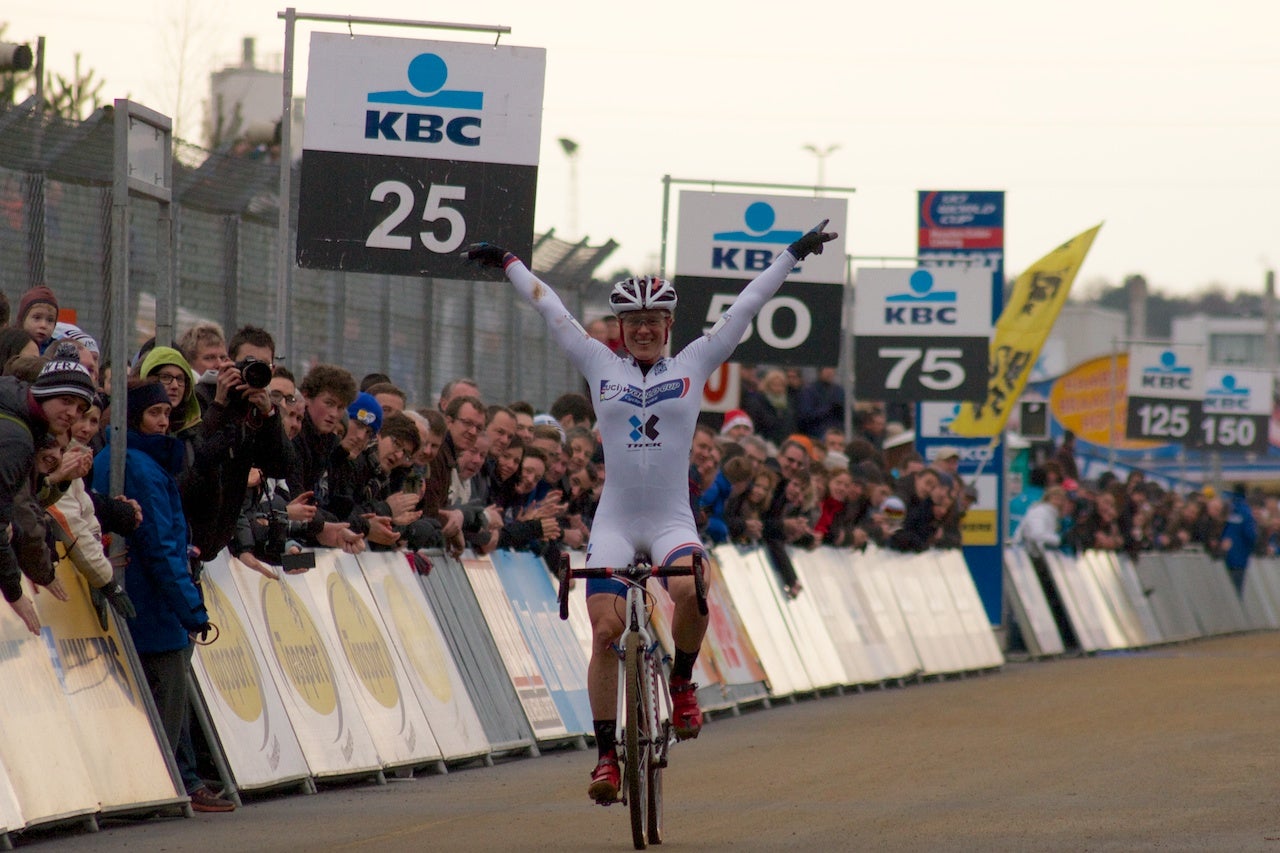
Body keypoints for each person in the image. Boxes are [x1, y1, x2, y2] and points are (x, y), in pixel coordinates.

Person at [466, 218, 836, 804]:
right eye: (632, 322)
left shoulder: (693, 363)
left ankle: (683, 683)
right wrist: (512, 261)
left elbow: (745, 307)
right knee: (606, 630)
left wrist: (792, 254)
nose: (642, 330)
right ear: (620, 328)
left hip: (669, 521)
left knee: (692, 587)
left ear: (668, 326)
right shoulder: (598, 364)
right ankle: (607, 758)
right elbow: (552, 310)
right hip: (614, 522)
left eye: (652, 322)